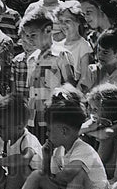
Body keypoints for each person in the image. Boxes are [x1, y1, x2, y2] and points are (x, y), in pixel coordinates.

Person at [0, 86, 109, 189]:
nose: (47, 134)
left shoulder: (83, 149)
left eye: (49, 130)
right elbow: (49, 176)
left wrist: (54, 180)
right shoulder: (58, 151)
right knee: (37, 174)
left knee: (78, 173)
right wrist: (46, 158)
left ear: (64, 131)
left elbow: (65, 176)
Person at [21, 8, 76, 140]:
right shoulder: (31, 58)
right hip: (33, 119)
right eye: (27, 36)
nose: (29, 40)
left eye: (33, 35)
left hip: (53, 119)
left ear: (48, 30)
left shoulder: (61, 56)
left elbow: (70, 88)